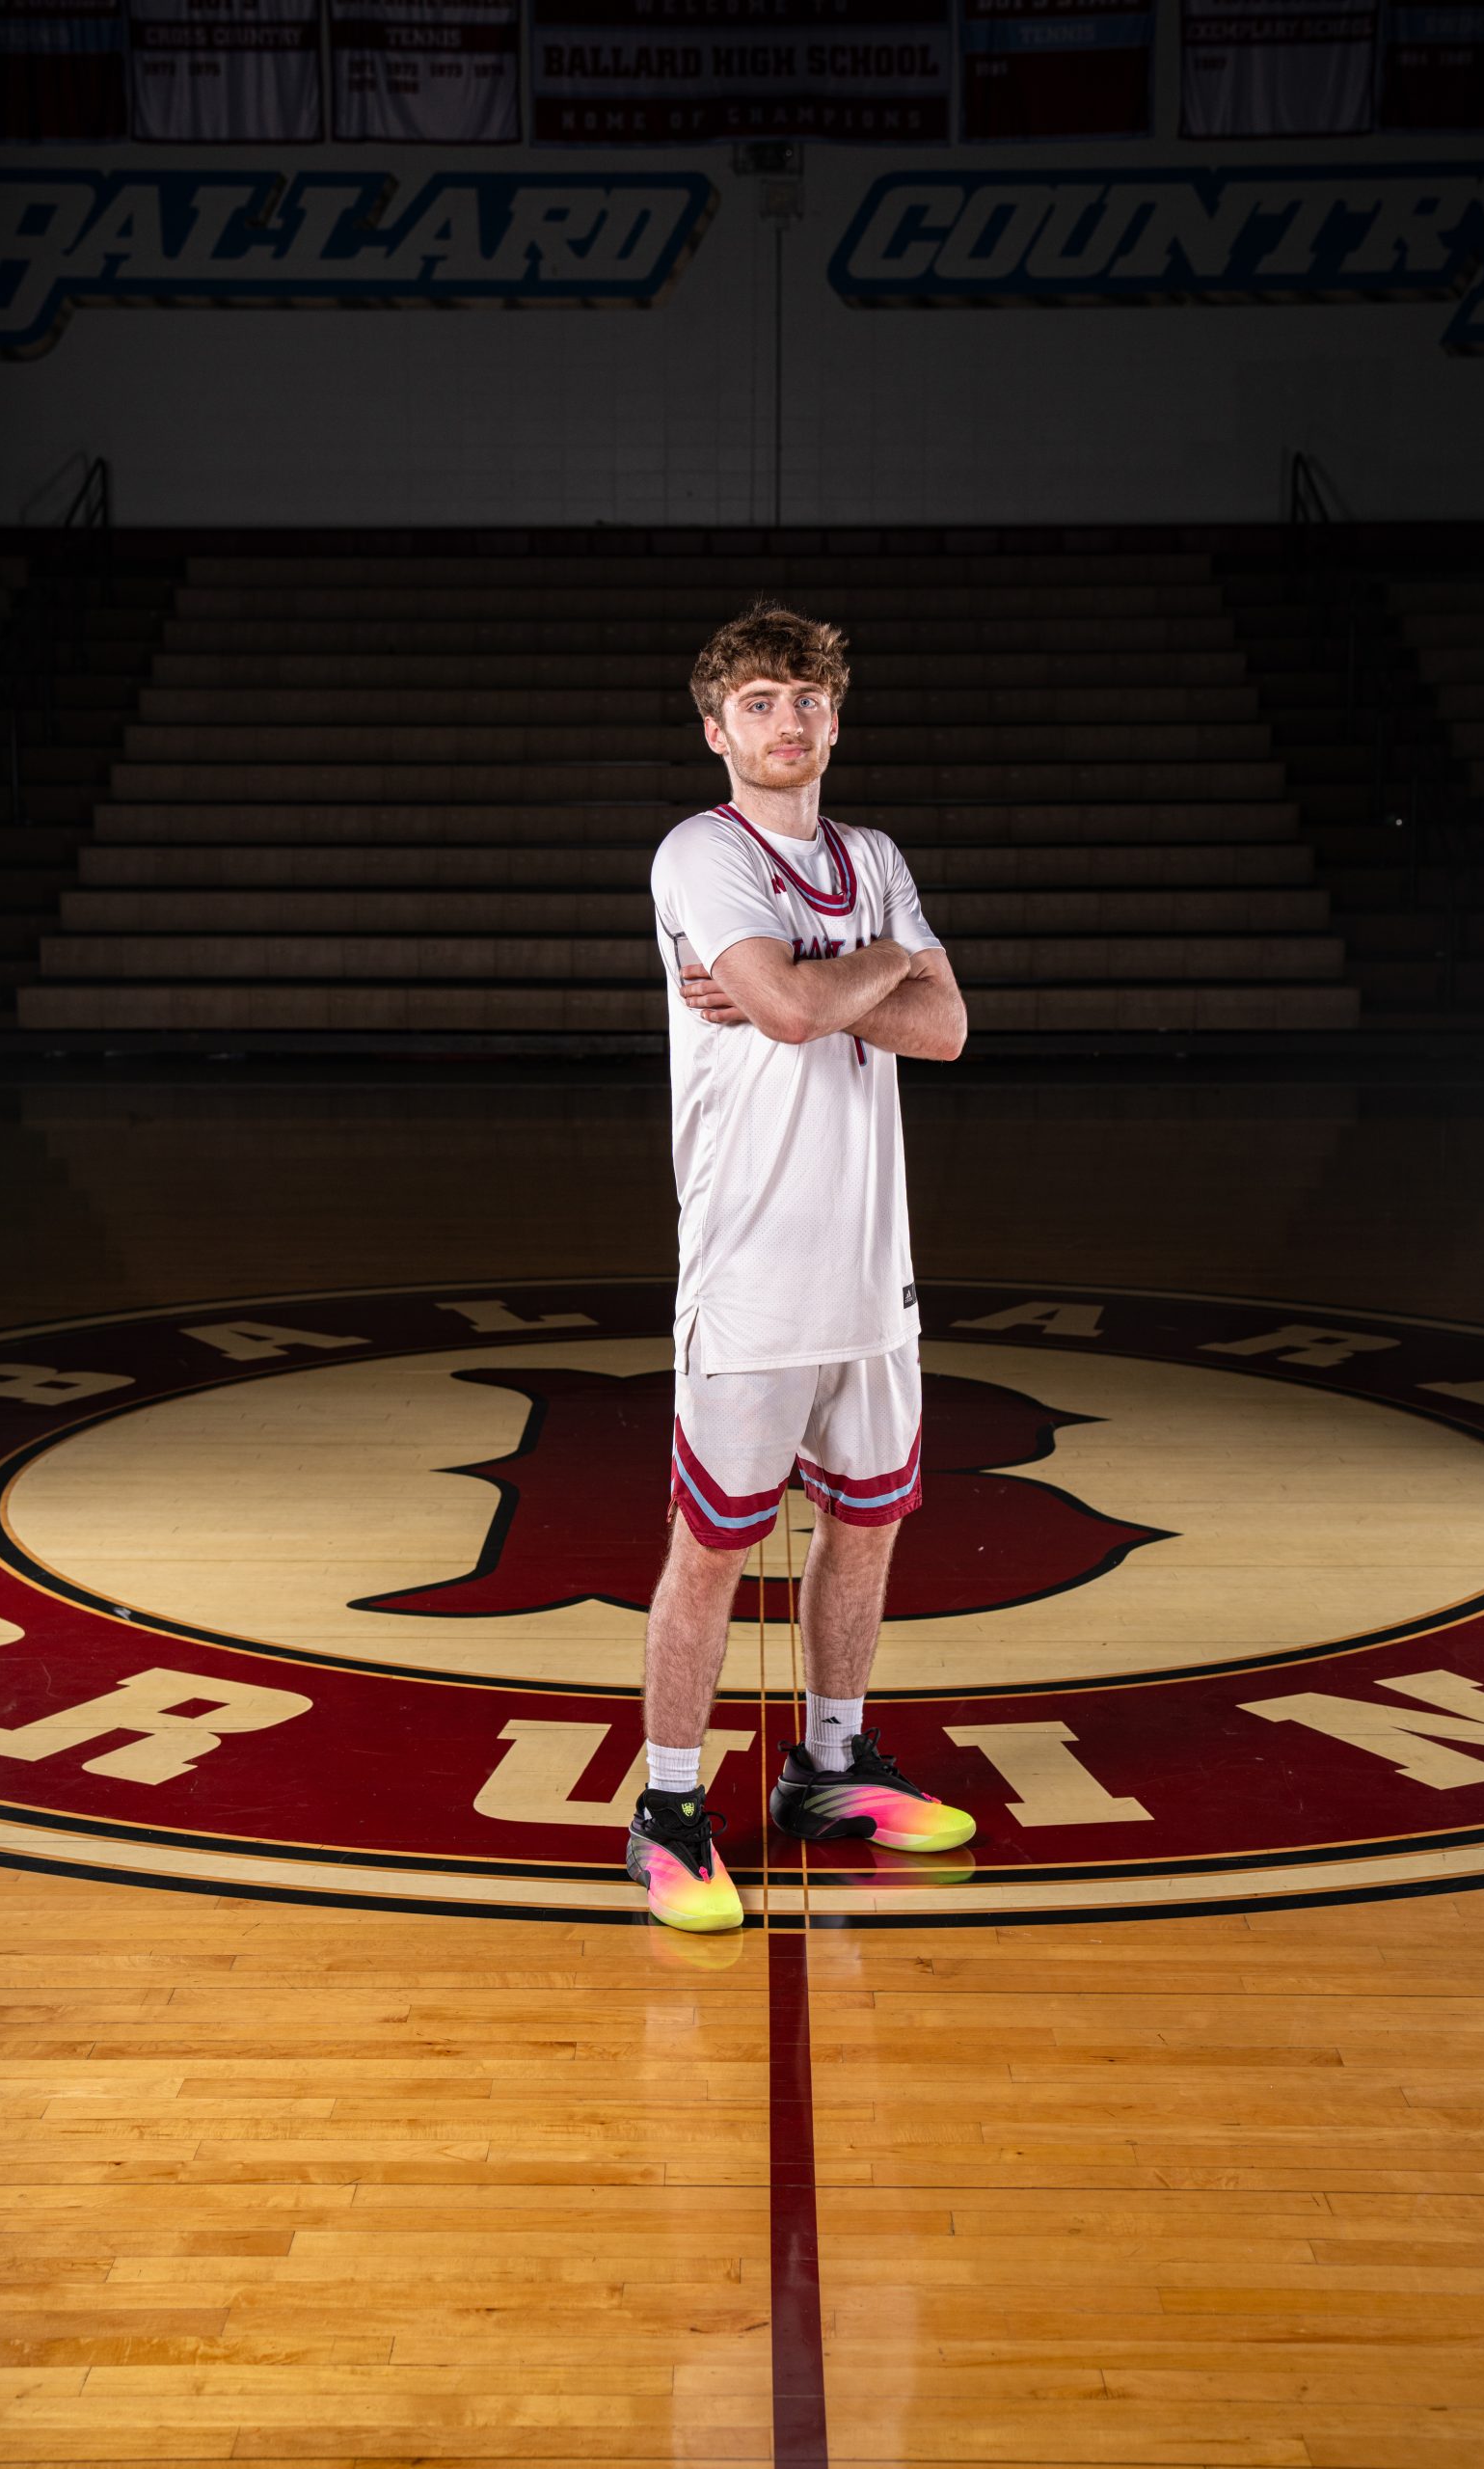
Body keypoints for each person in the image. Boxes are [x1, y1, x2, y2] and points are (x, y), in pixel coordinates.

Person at [627, 600, 974, 1932]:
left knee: (867, 1526)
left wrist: (835, 976)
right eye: (760, 703)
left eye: (808, 700)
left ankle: (829, 1767)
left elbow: (944, 1029)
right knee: (712, 1549)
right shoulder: (701, 852)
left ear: (836, 719)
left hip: (871, 1268)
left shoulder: (871, 856)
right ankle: (667, 1810)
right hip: (752, 1268)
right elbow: (780, 1010)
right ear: (717, 731)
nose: (788, 721)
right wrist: (874, 967)